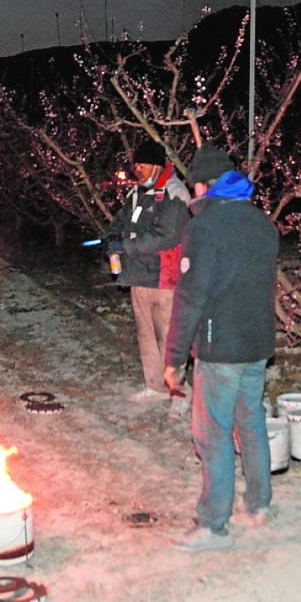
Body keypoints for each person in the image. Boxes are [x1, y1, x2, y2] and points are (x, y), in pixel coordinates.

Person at [163, 143, 279, 553]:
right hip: (257, 345)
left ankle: (213, 525)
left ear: (202, 184)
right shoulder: (262, 223)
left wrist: (175, 359)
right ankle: (260, 504)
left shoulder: (207, 227)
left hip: (221, 349)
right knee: (250, 424)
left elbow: (190, 296)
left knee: (211, 434)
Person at [104, 141, 191, 404]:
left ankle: (177, 393)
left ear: (156, 164)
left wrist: (127, 246)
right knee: (146, 336)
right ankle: (154, 386)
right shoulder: (138, 193)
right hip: (139, 276)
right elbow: (119, 221)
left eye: (141, 165)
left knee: (169, 338)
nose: (137, 170)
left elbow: (165, 236)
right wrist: (110, 239)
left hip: (165, 278)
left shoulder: (174, 192)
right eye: (135, 165)